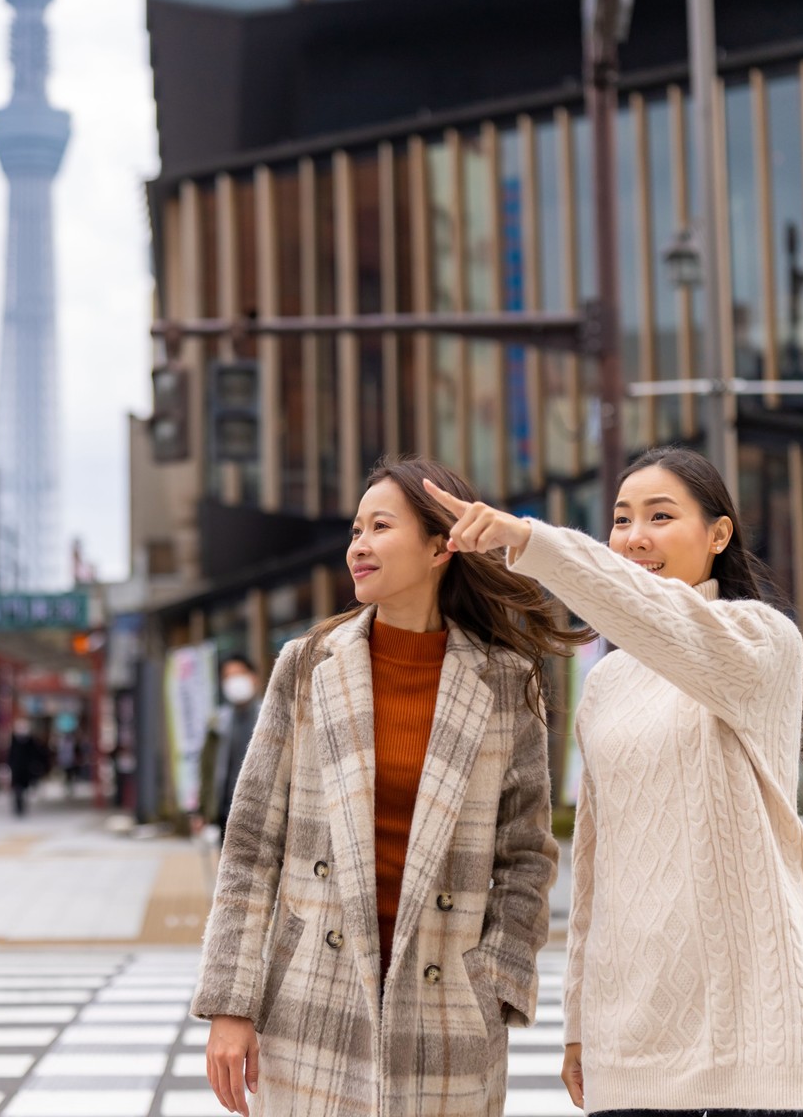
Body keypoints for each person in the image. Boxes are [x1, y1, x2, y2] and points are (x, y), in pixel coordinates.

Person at [427, 444, 803, 1117]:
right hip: (633, 1035)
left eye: (660, 516)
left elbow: (664, 620)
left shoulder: (762, 640)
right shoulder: (610, 681)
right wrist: (580, 1025)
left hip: (755, 1036)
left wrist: (528, 540)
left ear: (718, 534)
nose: (635, 537)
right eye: (621, 520)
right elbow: (596, 864)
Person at [195, 456, 580, 1117]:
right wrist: (231, 1004)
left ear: (441, 546)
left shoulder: (505, 683)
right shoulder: (308, 665)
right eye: (354, 531)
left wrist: (491, 981)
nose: (359, 547)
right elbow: (253, 844)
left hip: (448, 1013)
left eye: (380, 527)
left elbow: (526, 857)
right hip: (312, 1000)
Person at [194, 655, 263, 843]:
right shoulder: (217, 724)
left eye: (239, 674)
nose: (235, 682)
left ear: (253, 678)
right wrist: (203, 811)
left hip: (264, 812)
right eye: (228, 677)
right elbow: (207, 771)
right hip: (227, 813)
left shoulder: (269, 718)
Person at [6, 718, 46, 818]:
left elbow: (36, 754)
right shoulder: (14, 741)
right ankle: (17, 806)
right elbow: (10, 755)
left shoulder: (30, 741)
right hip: (16, 769)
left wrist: (35, 766)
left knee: (24, 789)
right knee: (17, 789)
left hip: (27, 770)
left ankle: (22, 805)